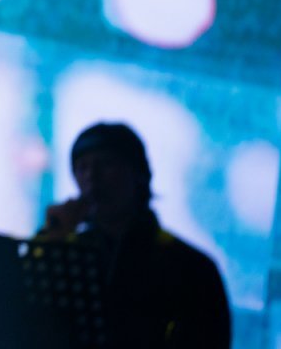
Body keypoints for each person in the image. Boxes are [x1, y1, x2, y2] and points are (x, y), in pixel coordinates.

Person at [38, 122, 232, 348]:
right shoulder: (65, 253)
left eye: (106, 164)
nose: (92, 176)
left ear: (138, 174)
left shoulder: (190, 267)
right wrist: (52, 239)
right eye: (82, 167)